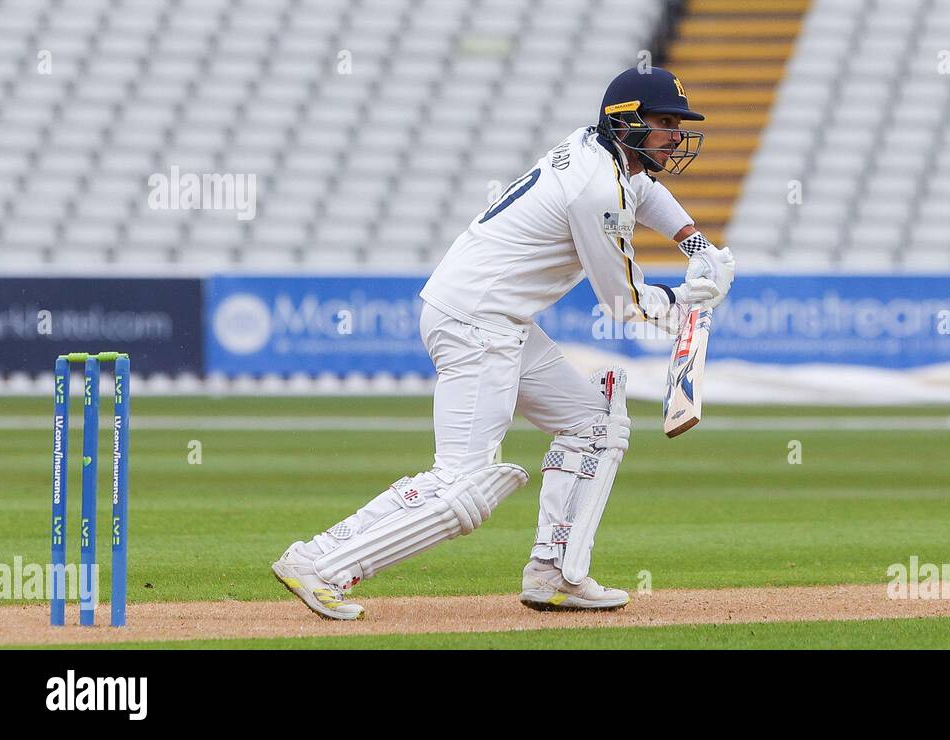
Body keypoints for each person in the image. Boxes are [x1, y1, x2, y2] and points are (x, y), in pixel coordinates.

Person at [271, 66, 737, 620]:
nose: (677, 136)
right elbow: (623, 304)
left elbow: (646, 191)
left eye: (678, 125)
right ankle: (322, 566)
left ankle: (555, 574)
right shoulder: (596, 189)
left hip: (495, 318)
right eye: (664, 123)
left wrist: (698, 245)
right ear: (626, 122)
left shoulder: (598, 152)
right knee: (464, 483)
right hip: (477, 321)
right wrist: (687, 301)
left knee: (594, 425)